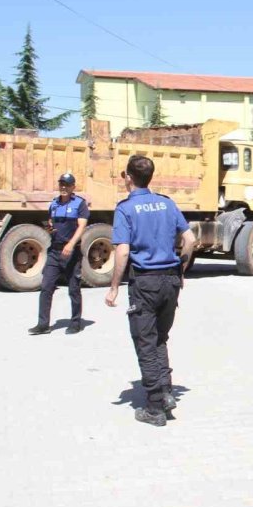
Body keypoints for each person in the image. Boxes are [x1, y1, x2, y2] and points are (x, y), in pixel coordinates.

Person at [106, 156, 196, 427]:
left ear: (128, 178)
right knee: (160, 338)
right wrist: (181, 270)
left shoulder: (125, 208)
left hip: (145, 283)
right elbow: (190, 239)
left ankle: (155, 407)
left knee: (145, 342)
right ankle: (167, 393)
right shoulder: (167, 203)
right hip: (170, 281)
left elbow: (122, 250)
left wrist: (113, 288)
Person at [28, 173, 88, 336]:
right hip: (55, 251)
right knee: (46, 287)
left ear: (73, 187)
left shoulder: (79, 204)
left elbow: (81, 226)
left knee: (73, 289)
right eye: (61, 184)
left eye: (67, 185)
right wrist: (50, 228)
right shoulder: (54, 204)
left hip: (71, 251)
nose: (63, 187)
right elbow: (51, 222)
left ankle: (75, 323)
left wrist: (70, 244)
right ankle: (43, 324)